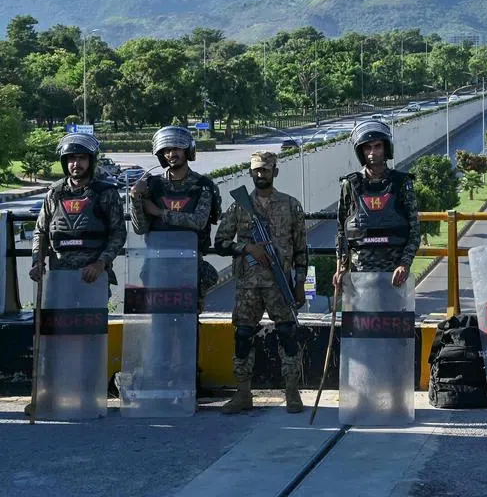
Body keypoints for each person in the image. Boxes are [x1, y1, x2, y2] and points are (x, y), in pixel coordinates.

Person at [27, 133, 126, 416]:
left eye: (81, 158)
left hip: (91, 279)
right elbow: (41, 232)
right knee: (56, 339)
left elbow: (118, 233)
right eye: (71, 159)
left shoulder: (105, 193)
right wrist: (38, 260)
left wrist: (102, 263)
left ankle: (88, 395)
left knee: (88, 340)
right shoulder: (54, 193)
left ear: (90, 161)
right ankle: (52, 396)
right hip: (59, 280)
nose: (75, 164)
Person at [214, 152, 308, 414]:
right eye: (256, 170)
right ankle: (243, 394)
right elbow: (221, 243)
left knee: (288, 334)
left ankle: (292, 392)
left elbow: (301, 249)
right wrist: (247, 248)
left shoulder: (290, 205)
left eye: (265, 170)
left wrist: (299, 283)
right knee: (243, 335)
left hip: (280, 285)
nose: (260, 174)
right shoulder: (239, 206)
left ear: (275, 172)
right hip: (248, 285)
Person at [130, 126, 222, 312]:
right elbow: (140, 228)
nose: (172, 154)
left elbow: (198, 222)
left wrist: (160, 213)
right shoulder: (152, 185)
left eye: (177, 149)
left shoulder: (203, 186)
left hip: (189, 266)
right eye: (167, 150)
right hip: (158, 266)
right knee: (159, 327)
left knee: (188, 328)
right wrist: (135, 200)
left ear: (188, 150)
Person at [334, 120, 420, 291]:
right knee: (361, 318)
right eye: (367, 148)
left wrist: (404, 264)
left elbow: (414, 230)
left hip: (394, 274)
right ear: (361, 151)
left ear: (386, 148)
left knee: (393, 317)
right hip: (360, 274)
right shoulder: (350, 185)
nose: (372, 153)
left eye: (377, 146)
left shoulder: (402, 183)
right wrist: (342, 266)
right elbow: (341, 231)